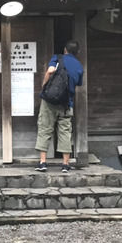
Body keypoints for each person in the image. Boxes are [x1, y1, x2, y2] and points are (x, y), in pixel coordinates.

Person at [34, 40, 84, 173]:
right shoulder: (79, 66)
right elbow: (78, 83)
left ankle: (43, 162)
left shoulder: (58, 58)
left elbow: (50, 71)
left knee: (45, 128)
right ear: (77, 52)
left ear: (65, 50)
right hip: (66, 103)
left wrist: (44, 86)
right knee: (65, 132)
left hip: (50, 101)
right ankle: (65, 164)